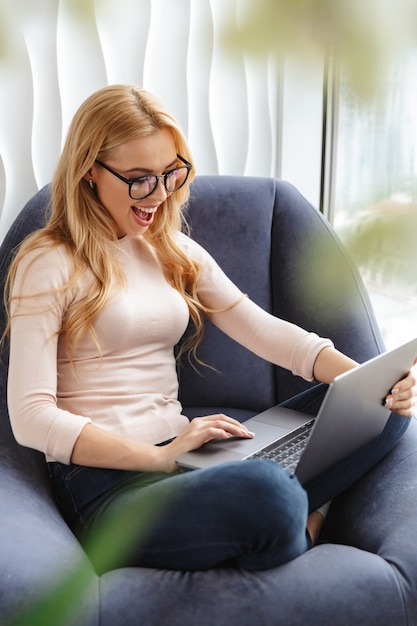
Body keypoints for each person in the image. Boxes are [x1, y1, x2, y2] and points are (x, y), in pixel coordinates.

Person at [5, 84, 417, 572]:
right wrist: (158, 457)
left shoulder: (172, 251)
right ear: (89, 170)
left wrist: (369, 381)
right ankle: (298, 514)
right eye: (139, 180)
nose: (158, 196)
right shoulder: (47, 262)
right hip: (108, 486)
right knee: (269, 495)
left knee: (383, 408)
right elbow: (30, 417)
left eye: (170, 174)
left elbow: (268, 332)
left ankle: (285, 516)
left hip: (190, 464)